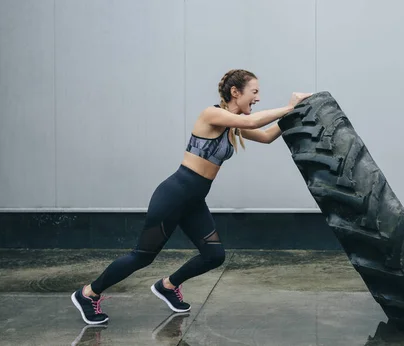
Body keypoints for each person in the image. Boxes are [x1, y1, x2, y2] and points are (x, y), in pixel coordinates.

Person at [71, 69, 312, 325]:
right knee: (142, 256)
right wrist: (288, 106)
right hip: (173, 195)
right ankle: (88, 293)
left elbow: (265, 136)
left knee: (214, 256)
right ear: (235, 92)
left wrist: (296, 113)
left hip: (193, 202)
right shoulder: (213, 115)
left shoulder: (231, 126)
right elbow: (254, 123)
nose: (258, 98)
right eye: (254, 92)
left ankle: (167, 285)